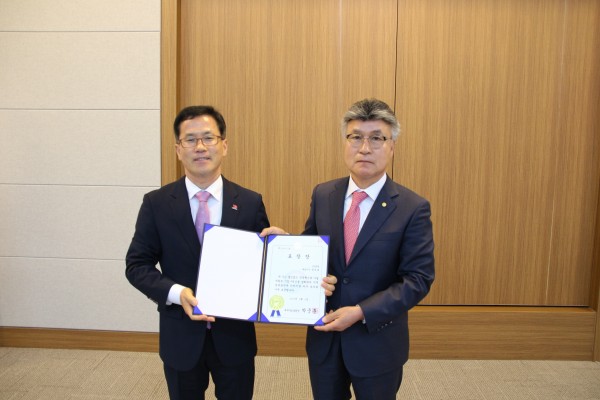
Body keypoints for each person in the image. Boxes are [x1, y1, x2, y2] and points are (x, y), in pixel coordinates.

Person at [125, 105, 336, 400]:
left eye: (208, 138)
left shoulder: (249, 202)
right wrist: (176, 293)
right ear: (178, 150)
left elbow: (264, 268)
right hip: (181, 336)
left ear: (224, 145)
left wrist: (284, 250)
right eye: (190, 140)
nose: (200, 147)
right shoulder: (156, 203)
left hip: (234, 338)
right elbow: (137, 265)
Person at [267, 98, 435, 399]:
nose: (364, 148)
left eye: (376, 138)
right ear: (345, 142)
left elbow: (418, 280)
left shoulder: (412, 207)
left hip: (377, 342)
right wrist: (284, 245)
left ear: (392, 147)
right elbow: (313, 252)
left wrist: (360, 312)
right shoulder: (324, 194)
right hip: (325, 338)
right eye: (355, 137)